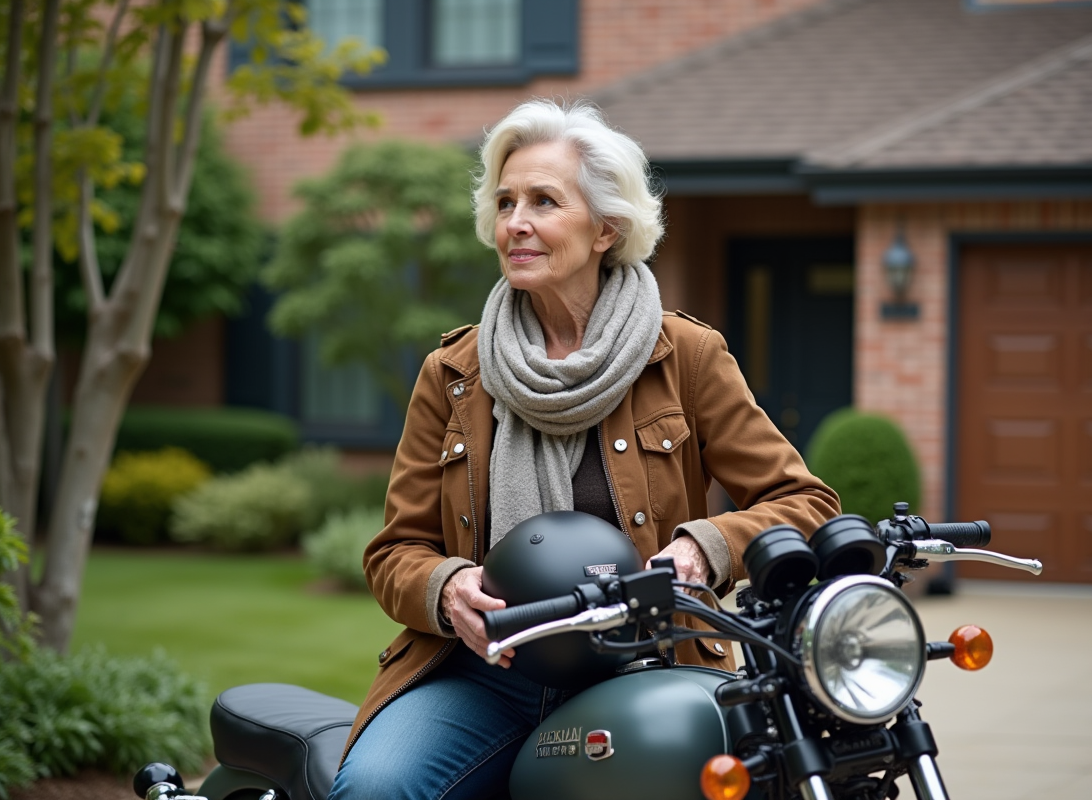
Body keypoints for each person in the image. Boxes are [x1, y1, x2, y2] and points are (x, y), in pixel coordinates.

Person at [328, 99, 841, 800]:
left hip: (648, 662)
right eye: (505, 203)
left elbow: (805, 502)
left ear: (607, 228)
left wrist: (706, 547)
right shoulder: (453, 374)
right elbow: (394, 553)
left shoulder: (685, 356)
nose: (516, 223)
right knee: (375, 789)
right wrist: (445, 588)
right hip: (490, 673)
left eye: (544, 201)